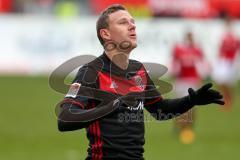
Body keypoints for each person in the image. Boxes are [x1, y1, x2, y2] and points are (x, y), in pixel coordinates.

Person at [57, 4, 224, 160]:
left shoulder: (139, 70)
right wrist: (112, 106)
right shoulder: (91, 72)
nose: (132, 26)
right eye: (123, 22)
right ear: (105, 34)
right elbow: (65, 119)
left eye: (132, 22)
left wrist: (191, 101)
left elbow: (160, 109)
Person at [171, 31, 209, 144]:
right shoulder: (178, 49)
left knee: (191, 106)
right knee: (179, 105)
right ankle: (181, 126)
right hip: (181, 80)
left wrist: (202, 76)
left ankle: (188, 127)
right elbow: (175, 64)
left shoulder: (197, 50)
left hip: (192, 80)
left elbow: (202, 64)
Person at [212, 16, 240, 110]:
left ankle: (228, 99)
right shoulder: (223, 37)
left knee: (227, 82)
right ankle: (226, 98)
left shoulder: (235, 38)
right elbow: (220, 49)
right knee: (220, 81)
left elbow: (237, 49)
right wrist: (218, 60)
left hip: (230, 62)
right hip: (223, 62)